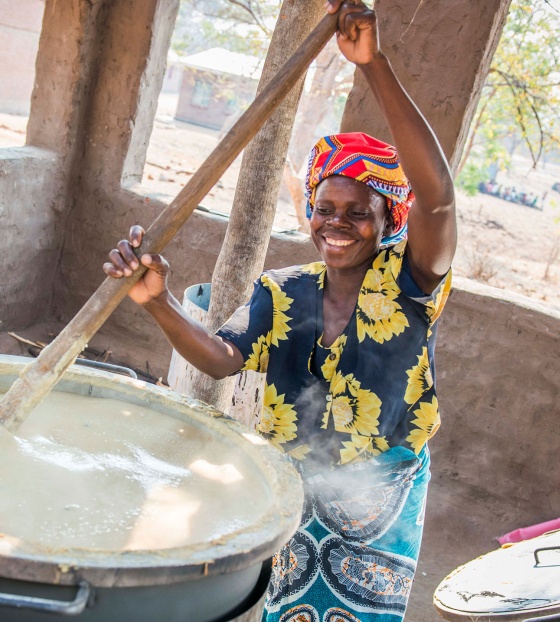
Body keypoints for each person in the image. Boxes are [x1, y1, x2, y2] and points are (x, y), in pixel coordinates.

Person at [104, 1, 457, 619]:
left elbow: (439, 198)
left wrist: (373, 67)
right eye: (325, 208)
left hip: (385, 497)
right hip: (294, 488)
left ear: (388, 221)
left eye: (357, 212)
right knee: (285, 610)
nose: (336, 224)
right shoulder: (283, 291)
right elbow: (219, 360)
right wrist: (158, 302)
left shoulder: (413, 283)